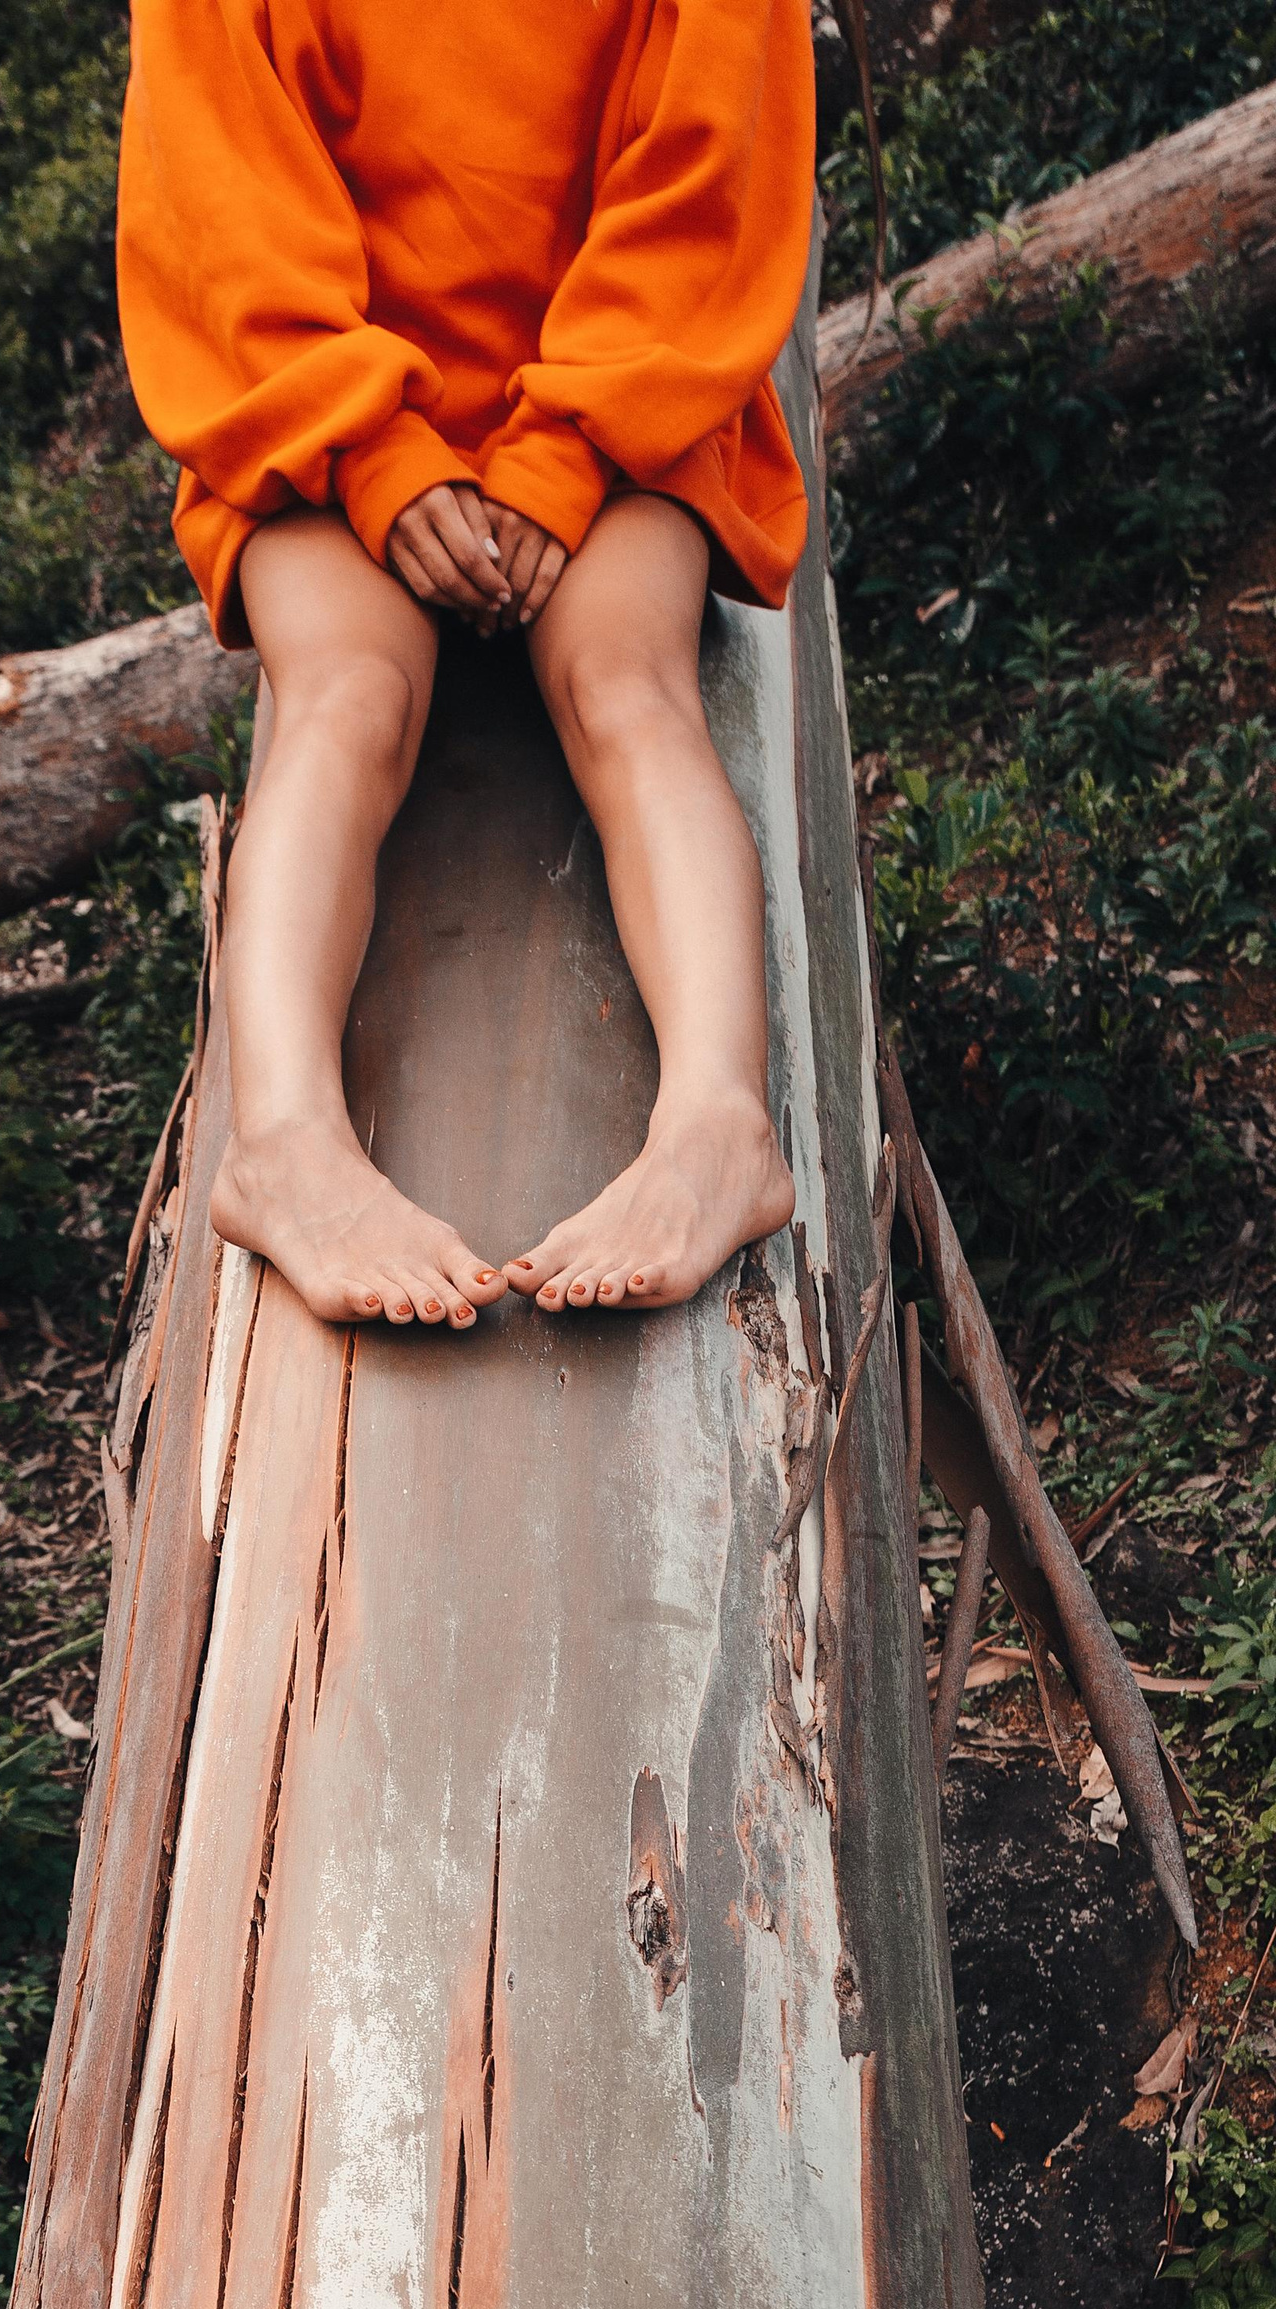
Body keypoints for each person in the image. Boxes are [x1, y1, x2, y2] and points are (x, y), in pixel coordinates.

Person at [115, 0, 816, 1328]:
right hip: (325, 416)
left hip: (618, 407)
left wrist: (562, 457)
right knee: (345, 700)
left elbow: (709, 172)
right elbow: (215, 206)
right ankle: (284, 1142)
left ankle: (720, 1125)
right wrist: (373, 453)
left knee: (627, 681)